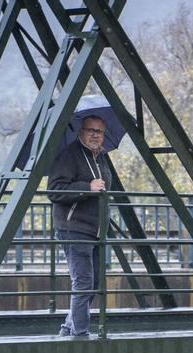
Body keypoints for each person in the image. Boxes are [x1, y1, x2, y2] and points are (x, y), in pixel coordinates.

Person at [47, 115, 111, 337]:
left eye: (99, 131)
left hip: (95, 230)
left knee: (93, 283)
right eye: (90, 130)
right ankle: (80, 334)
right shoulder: (69, 155)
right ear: (80, 132)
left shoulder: (101, 157)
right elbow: (54, 190)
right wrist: (87, 187)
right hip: (73, 228)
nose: (95, 135)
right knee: (83, 281)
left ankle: (68, 328)